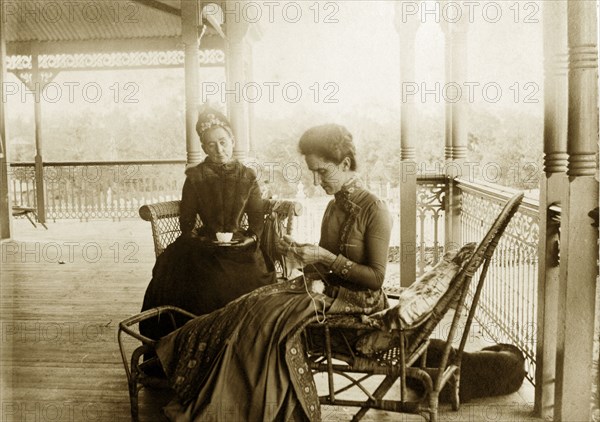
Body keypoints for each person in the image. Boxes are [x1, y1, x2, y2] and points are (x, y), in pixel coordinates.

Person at [154, 123, 393, 421]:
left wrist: (325, 257)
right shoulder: (334, 207)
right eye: (313, 172)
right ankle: (205, 380)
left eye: (322, 171)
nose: (317, 181)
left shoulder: (376, 209)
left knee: (264, 320)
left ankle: (241, 408)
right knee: (250, 304)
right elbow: (323, 264)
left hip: (358, 302)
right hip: (323, 292)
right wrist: (295, 252)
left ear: (345, 164)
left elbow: (376, 278)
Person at [140, 106, 276, 339]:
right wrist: (200, 239)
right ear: (203, 147)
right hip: (201, 245)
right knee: (200, 282)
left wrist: (249, 239)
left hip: (240, 244)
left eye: (223, 142)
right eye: (211, 145)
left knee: (252, 278)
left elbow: (256, 219)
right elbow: (187, 220)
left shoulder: (248, 176)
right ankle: (197, 341)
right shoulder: (195, 177)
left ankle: (242, 346)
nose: (219, 149)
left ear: (232, 141)